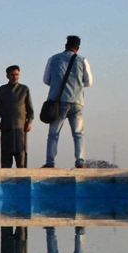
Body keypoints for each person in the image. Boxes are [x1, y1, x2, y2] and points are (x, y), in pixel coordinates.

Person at [42, 35, 93, 169]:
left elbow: (46, 80)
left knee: (54, 134)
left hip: (57, 102)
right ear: (77, 48)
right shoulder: (82, 60)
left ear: (65, 45)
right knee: (78, 133)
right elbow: (88, 82)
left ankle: (50, 162)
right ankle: (80, 161)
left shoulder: (53, 59)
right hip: (76, 101)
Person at [0, 64, 34, 168]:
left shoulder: (24, 89)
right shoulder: (2, 89)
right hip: (6, 126)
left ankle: (22, 180)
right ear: (7, 76)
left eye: (17, 74)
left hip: (21, 127)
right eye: (12, 74)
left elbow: (30, 108)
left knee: (21, 154)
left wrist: (29, 122)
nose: (14, 77)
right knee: (6, 155)